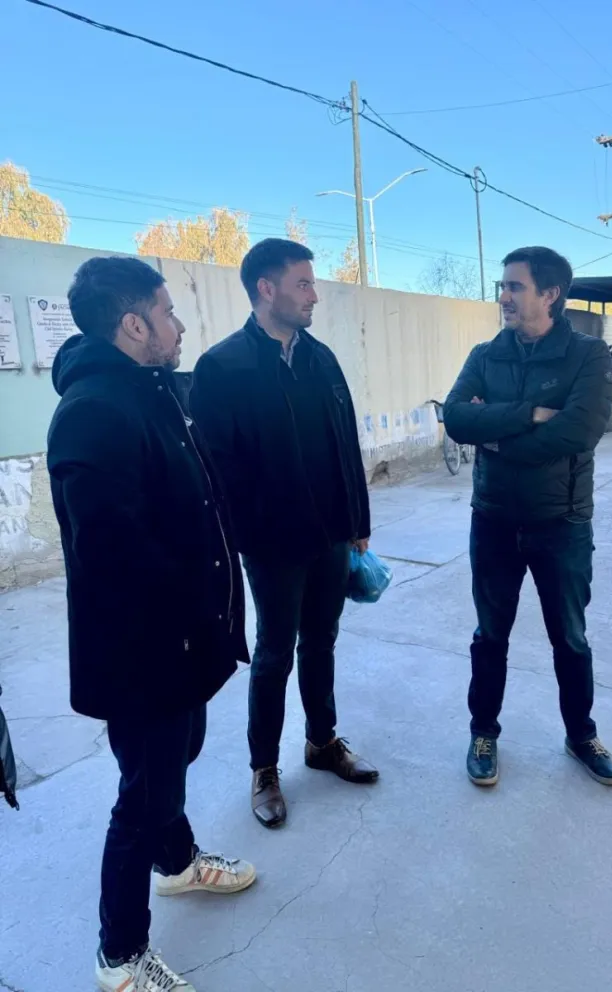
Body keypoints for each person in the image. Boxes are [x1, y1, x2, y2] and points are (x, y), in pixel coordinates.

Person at [47, 257, 255, 992]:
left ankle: (177, 864)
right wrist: (192, 610)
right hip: (144, 655)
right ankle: (120, 957)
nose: (180, 324)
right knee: (143, 797)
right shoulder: (95, 411)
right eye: (169, 313)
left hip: (182, 642)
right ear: (134, 325)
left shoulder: (153, 393)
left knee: (171, 765)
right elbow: (113, 556)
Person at [190, 238, 378, 830]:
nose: (315, 295)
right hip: (272, 544)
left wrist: (357, 525)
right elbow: (215, 470)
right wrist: (243, 537)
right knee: (274, 653)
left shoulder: (321, 359)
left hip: (329, 536)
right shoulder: (222, 367)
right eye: (304, 284)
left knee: (321, 641)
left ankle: (322, 743)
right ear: (266, 289)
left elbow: (346, 444)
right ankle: (264, 768)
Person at [443, 246, 612, 789]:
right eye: (502, 286)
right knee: (489, 635)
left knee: (569, 637)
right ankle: (483, 733)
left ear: (550, 294)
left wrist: (494, 434)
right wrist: (527, 415)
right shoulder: (485, 354)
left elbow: (580, 429)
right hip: (494, 519)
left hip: (562, 523)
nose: (502, 296)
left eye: (514, 287)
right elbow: (455, 418)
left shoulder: (588, 356)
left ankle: (581, 734)